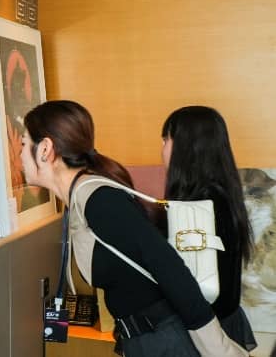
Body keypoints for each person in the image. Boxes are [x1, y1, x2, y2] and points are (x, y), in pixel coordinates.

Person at [22, 100, 247, 356]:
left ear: (45, 149)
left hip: (165, 341)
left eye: (23, 144)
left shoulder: (100, 200)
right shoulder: (81, 199)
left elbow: (170, 269)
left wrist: (220, 350)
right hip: (146, 339)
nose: (19, 156)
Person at [161, 106, 257, 352]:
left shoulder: (195, 206)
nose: (162, 149)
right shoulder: (224, 195)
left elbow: (187, 288)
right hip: (224, 323)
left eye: (166, 140)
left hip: (203, 333)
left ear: (186, 147)